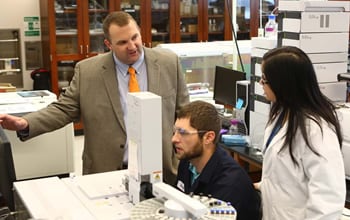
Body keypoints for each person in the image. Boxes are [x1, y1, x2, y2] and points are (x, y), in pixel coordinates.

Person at [0, 11, 189, 184]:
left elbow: (185, 113)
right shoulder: (88, 71)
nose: (132, 46)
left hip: (161, 171)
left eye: (135, 37)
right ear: (108, 44)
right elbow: (64, 109)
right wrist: (26, 123)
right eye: (123, 42)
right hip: (106, 173)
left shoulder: (168, 63)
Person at [254, 46, 346, 220]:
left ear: (283, 83)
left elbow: (328, 199)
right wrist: (264, 185)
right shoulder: (281, 114)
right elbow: (288, 174)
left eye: (264, 79)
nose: (261, 83)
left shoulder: (317, 131)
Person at [172, 100, 260, 220]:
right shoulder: (187, 161)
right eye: (175, 131)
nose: (174, 139)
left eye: (183, 133)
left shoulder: (230, 184)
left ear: (208, 137)